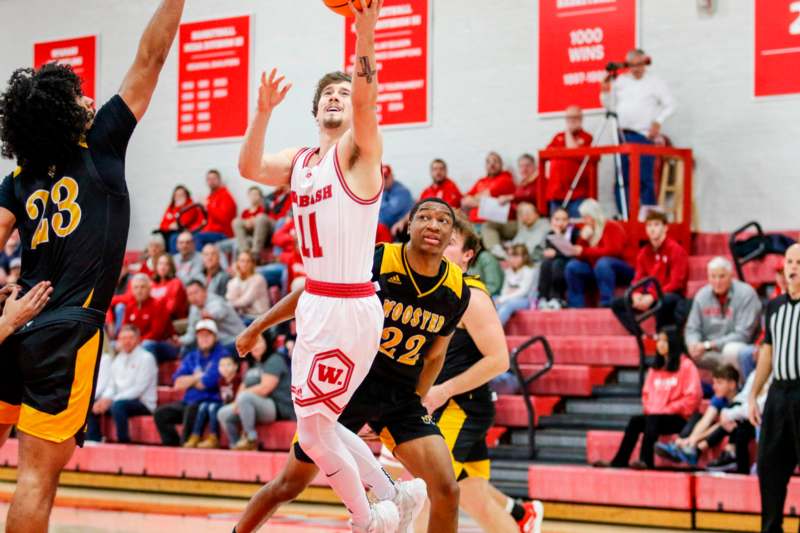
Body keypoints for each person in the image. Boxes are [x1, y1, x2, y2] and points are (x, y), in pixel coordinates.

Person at [0, 2, 184, 531]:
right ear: (67, 113)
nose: (89, 97)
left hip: (16, 322)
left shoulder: (19, 177)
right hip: (65, 329)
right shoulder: (100, 143)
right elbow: (151, 56)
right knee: (37, 476)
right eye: (79, 95)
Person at [237, 2, 416, 529]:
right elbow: (247, 165)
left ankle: (367, 516)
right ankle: (395, 494)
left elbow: (366, 98)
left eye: (343, 93)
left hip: (345, 306)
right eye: (328, 95)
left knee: (313, 433)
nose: (338, 99)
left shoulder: (357, 154)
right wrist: (264, 111)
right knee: (324, 424)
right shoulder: (300, 162)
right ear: (316, 111)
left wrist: (365, 33)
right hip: (319, 303)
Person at [232, 199, 471, 533]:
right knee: (290, 483)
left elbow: (435, 356)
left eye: (443, 220)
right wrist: (258, 325)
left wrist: (415, 398)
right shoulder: (377, 259)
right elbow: (314, 291)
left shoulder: (457, 289)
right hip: (347, 386)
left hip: (400, 395)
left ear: (452, 237)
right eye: (424, 217)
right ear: (409, 225)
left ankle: (386, 502)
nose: (433, 224)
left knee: (447, 489)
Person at [423, 214, 544, 533]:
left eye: (450, 243)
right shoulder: (430, 292)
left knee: (425, 491)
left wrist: (442, 390)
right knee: (476, 500)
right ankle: (522, 520)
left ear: (467, 256)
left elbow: (499, 360)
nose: (439, 244)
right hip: (444, 408)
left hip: (461, 408)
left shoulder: (472, 297)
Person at [596, 326, 701, 469]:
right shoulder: (655, 368)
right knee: (635, 421)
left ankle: (646, 461)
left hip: (679, 418)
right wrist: (653, 409)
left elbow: (692, 398)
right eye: (659, 340)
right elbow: (646, 394)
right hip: (657, 416)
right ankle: (619, 461)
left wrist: (667, 409)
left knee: (653, 418)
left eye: (665, 341)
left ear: (674, 342)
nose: (661, 344)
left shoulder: (687, 366)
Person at [749, 244, 800, 533]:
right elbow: (768, 351)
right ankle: (771, 528)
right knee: (768, 468)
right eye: (789, 262)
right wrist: (755, 394)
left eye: (799, 262)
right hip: (779, 394)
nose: (792, 267)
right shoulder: (775, 306)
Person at [600, 49, 676, 213]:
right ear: (628, 66)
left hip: (643, 135)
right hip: (622, 135)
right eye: (632, 65)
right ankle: (625, 214)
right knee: (622, 178)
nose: (636, 69)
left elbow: (670, 104)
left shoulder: (654, 82)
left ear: (645, 63)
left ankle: (649, 217)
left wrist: (658, 121)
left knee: (645, 178)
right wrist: (605, 91)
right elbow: (609, 105)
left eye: (639, 64)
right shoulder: (621, 81)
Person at [611, 210, 689, 335]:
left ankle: (662, 336)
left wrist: (652, 296)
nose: (652, 229)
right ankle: (640, 336)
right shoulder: (644, 252)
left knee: (665, 300)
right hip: (651, 295)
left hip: (671, 295)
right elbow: (638, 278)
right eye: (649, 225)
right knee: (618, 303)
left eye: (656, 225)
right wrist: (636, 294)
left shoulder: (676, 250)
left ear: (665, 228)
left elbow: (676, 283)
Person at [218, 333, 295, 451]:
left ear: (266, 342)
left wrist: (241, 398)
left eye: (258, 342)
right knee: (223, 413)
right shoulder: (252, 363)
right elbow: (243, 386)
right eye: (252, 343)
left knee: (245, 397)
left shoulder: (274, 359)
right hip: (254, 405)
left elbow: (265, 388)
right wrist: (236, 403)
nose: (255, 346)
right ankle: (236, 445)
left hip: (278, 407)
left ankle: (251, 439)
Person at [154, 319, 225, 447]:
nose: (204, 339)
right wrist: (197, 377)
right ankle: (172, 447)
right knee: (160, 414)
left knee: (192, 409)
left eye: (207, 335)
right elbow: (178, 383)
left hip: (208, 403)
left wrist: (191, 379)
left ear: (215, 337)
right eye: (200, 335)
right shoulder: (192, 356)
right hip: (188, 402)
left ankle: (184, 445)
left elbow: (207, 383)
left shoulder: (221, 354)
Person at [685, 256, 761, 372]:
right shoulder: (702, 295)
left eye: (722, 276)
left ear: (731, 276)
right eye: (713, 276)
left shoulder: (747, 294)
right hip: (709, 351)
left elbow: (743, 335)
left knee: (730, 351)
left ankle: (738, 388)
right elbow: (692, 328)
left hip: (739, 349)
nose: (717, 281)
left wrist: (708, 345)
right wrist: (693, 344)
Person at [655, 364, 740, 467]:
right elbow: (706, 420)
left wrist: (693, 440)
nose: (714, 387)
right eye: (714, 383)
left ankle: (689, 448)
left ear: (732, 384)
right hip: (721, 426)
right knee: (697, 416)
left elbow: (721, 425)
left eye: (719, 383)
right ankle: (683, 446)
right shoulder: (719, 398)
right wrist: (691, 440)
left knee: (723, 425)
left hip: (736, 430)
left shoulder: (739, 401)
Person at [86, 325, 158, 443]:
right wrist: (105, 399)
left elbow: (139, 389)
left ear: (138, 339)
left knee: (118, 406)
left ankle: (123, 441)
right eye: (123, 338)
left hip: (143, 402)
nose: (126, 341)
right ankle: (94, 439)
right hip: (119, 400)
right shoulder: (119, 359)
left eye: (130, 338)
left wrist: (112, 400)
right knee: (92, 405)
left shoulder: (146, 358)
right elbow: (111, 385)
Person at [565, 199, 633, 308]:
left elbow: (613, 251)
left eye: (586, 217)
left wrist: (585, 251)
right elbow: (581, 255)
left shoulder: (611, 226)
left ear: (594, 215)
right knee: (573, 266)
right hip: (596, 268)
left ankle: (606, 302)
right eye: (583, 217)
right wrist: (582, 239)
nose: (584, 220)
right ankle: (575, 305)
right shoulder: (588, 230)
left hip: (621, 268)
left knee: (603, 263)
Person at [481, 154, 540, 256]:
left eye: (528, 166)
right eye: (521, 166)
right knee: (488, 225)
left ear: (534, 166)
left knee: (524, 208)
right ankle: (497, 250)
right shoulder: (521, 184)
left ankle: (518, 248)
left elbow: (531, 195)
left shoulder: (538, 181)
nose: (524, 169)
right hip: (516, 223)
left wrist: (510, 197)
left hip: (532, 224)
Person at [544, 106, 596, 217]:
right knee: (557, 227)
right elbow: (547, 153)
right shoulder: (558, 136)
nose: (571, 120)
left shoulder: (587, 137)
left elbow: (574, 151)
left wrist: (568, 133)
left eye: (575, 117)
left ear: (581, 119)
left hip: (576, 193)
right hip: (556, 192)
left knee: (575, 227)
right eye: (568, 118)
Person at [184, 354, 240, 449]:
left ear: (235, 366)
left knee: (212, 407)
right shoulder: (221, 380)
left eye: (228, 365)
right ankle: (196, 435)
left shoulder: (238, 380)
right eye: (221, 365)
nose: (224, 368)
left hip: (233, 406)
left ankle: (214, 437)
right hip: (224, 404)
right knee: (204, 405)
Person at [121, 274, 178, 362]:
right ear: (132, 290)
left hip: (164, 343)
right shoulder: (130, 306)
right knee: (116, 345)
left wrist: (135, 343)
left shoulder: (158, 304)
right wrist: (123, 340)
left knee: (147, 344)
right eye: (136, 288)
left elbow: (156, 333)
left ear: (149, 288)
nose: (139, 291)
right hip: (139, 342)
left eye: (142, 287)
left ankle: (149, 373)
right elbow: (125, 328)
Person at [181, 279, 245, 351]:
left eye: (196, 292)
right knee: (186, 348)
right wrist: (179, 341)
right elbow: (191, 334)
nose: (193, 297)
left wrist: (210, 315)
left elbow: (219, 312)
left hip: (236, 340)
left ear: (204, 290)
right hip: (215, 343)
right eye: (190, 294)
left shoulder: (216, 301)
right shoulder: (194, 308)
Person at [537, 207, 577, 310]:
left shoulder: (574, 232)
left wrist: (558, 236)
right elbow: (549, 251)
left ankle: (557, 298)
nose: (560, 223)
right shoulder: (550, 234)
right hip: (556, 260)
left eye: (564, 219)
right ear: (551, 221)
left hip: (569, 260)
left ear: (568, 221)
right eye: (557, 219)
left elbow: (571, 252)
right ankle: (543, 297)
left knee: (557, 263)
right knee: (546, 263)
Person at [461, 152, 516, 225]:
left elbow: (486, 195)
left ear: (501, 164)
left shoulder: (505, 178)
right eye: (488, 162)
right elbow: (464, 201)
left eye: (495, 161)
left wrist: (474, 200)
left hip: (492, 224)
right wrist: (488, 203)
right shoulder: (481, 181)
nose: (492, 164)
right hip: (473, 223)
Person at [195, 169, 237, 248]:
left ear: (219, 180)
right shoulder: (209, 198)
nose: (211, 181)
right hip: (207, 233)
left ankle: (199, 260)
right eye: (209, 179)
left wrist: (208, 206)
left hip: (222, 234)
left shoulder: (226, 196)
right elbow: (202, 221)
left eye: (214, 178)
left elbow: (224, 219)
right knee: (184, 238)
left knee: (197, 238)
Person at [496, 245, 536, 325]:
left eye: (516, 257)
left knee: (509, 304)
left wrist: (504, 298)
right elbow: (504, 289)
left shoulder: (528, 270)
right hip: (509, 297)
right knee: (492, 301)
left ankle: (495, 330)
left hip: (526, 300)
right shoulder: (509, 271)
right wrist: (503, 297)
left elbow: (523, 291)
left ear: (524, 257)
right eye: (511, 256)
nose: (513, 260)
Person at [227, 251, 270, 321]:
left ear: (253, 264)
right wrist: (237, 275)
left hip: (259, 317)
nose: (245, 264)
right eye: (242, 261)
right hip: (245, 316)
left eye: (248, 261)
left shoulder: (258, 279)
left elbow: (245, 301)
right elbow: (230, 297)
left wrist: (231, 303)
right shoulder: (235, 281)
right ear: (237, 263)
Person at [158, 185, 203, 253]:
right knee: (156, 239)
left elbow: (182, 223)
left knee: (174, 238)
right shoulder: (171, 207)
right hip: (171, 233)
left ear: (186, 195)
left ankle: (176, 260)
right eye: (176, 195)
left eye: (181, 195)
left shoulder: (190, 205)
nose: (178, 197)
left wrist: (179, 208)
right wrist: (169, 226)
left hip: (188, 231)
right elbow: (162, 225)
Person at [233, 186, 271, 257]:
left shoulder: (263, 208)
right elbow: (243, 225)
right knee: (236, 221)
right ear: (248, 196)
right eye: (252, 194)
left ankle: (255, 253)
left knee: (260, 218)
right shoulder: (245, 212)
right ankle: (245, 251)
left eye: (256, 194)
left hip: (263, 233)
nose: (253, 197)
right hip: (249, 233)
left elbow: (264, 221)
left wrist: (252, 221)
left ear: (260, 197)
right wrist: (249, 222)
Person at [380, 164, 414, 237]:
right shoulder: (383, 191)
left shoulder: (402, 191)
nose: (383, 180)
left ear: (392, 176)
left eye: (386, 177)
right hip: (389, 229)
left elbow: (387, 214)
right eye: (381, 177)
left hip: (401, 233)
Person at [151, 253, 188, 319]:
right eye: (160, 264)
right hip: (154, 317)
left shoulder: (176, 283)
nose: (162, 267)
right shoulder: (152, 283)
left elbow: (171, 309)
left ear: (171, 267)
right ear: (156, 266)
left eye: (166, 264)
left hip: (173, 319)